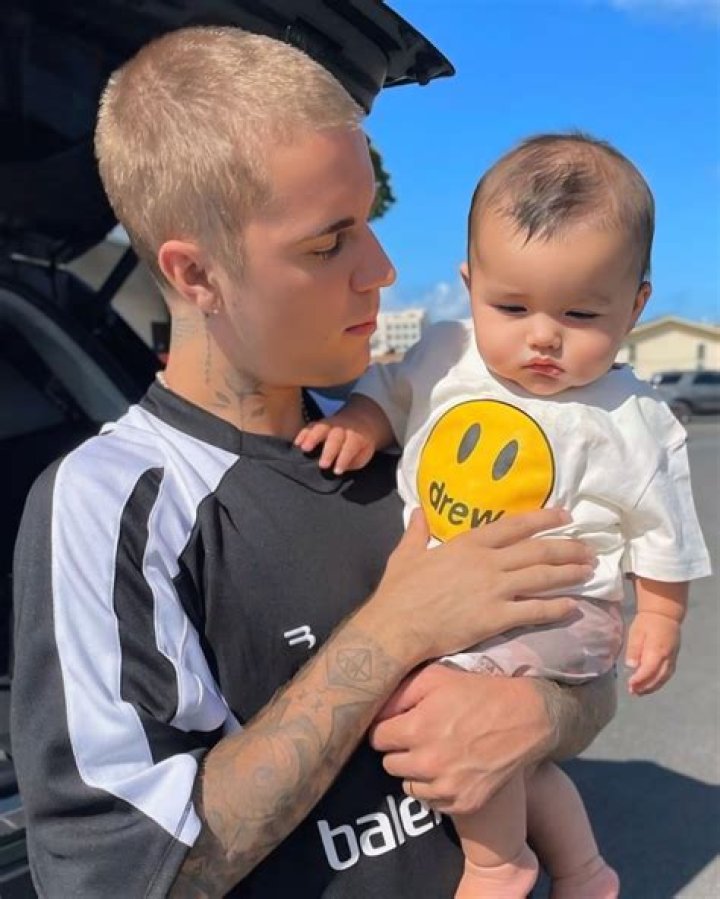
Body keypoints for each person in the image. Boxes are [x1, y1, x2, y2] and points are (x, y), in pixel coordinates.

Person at [10, 30, 615, 899]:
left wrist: (539, 712)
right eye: (329, 243)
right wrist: (396, 628)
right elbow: (117, 876)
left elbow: (591, 664)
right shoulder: (110, 504)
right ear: (196, 274)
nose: (382, 269)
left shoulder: (423, 437)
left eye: (370, 223)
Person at [296, 132, 711, 898]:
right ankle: (584, 870)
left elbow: (664, 531)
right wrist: (360, 422)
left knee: (441, 699)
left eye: (581, 312)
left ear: (635, 306)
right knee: (510, 754)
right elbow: (389, 392)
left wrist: (661, 615)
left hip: (557, 605)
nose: (543, 335)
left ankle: (497, 862)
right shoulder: (446, 353)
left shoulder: (632, 415)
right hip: (463, 601)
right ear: (470, 283)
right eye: (511, 306)